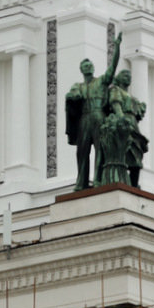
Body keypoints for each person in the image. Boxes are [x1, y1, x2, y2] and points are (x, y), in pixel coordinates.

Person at [65, 33, 121, 191]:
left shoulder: (101, 81)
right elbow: (72, 97)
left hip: (98, 116)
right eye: (85, 66)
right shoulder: (79, 86)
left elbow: (113, 67)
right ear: (81, 70)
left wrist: (117, 47)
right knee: (82, 151)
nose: (88, 67)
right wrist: (72, 97)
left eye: (90, 65)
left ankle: (98, 180)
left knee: (100, 149)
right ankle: (81, 182)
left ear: (93, 68)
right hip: (84, 118)